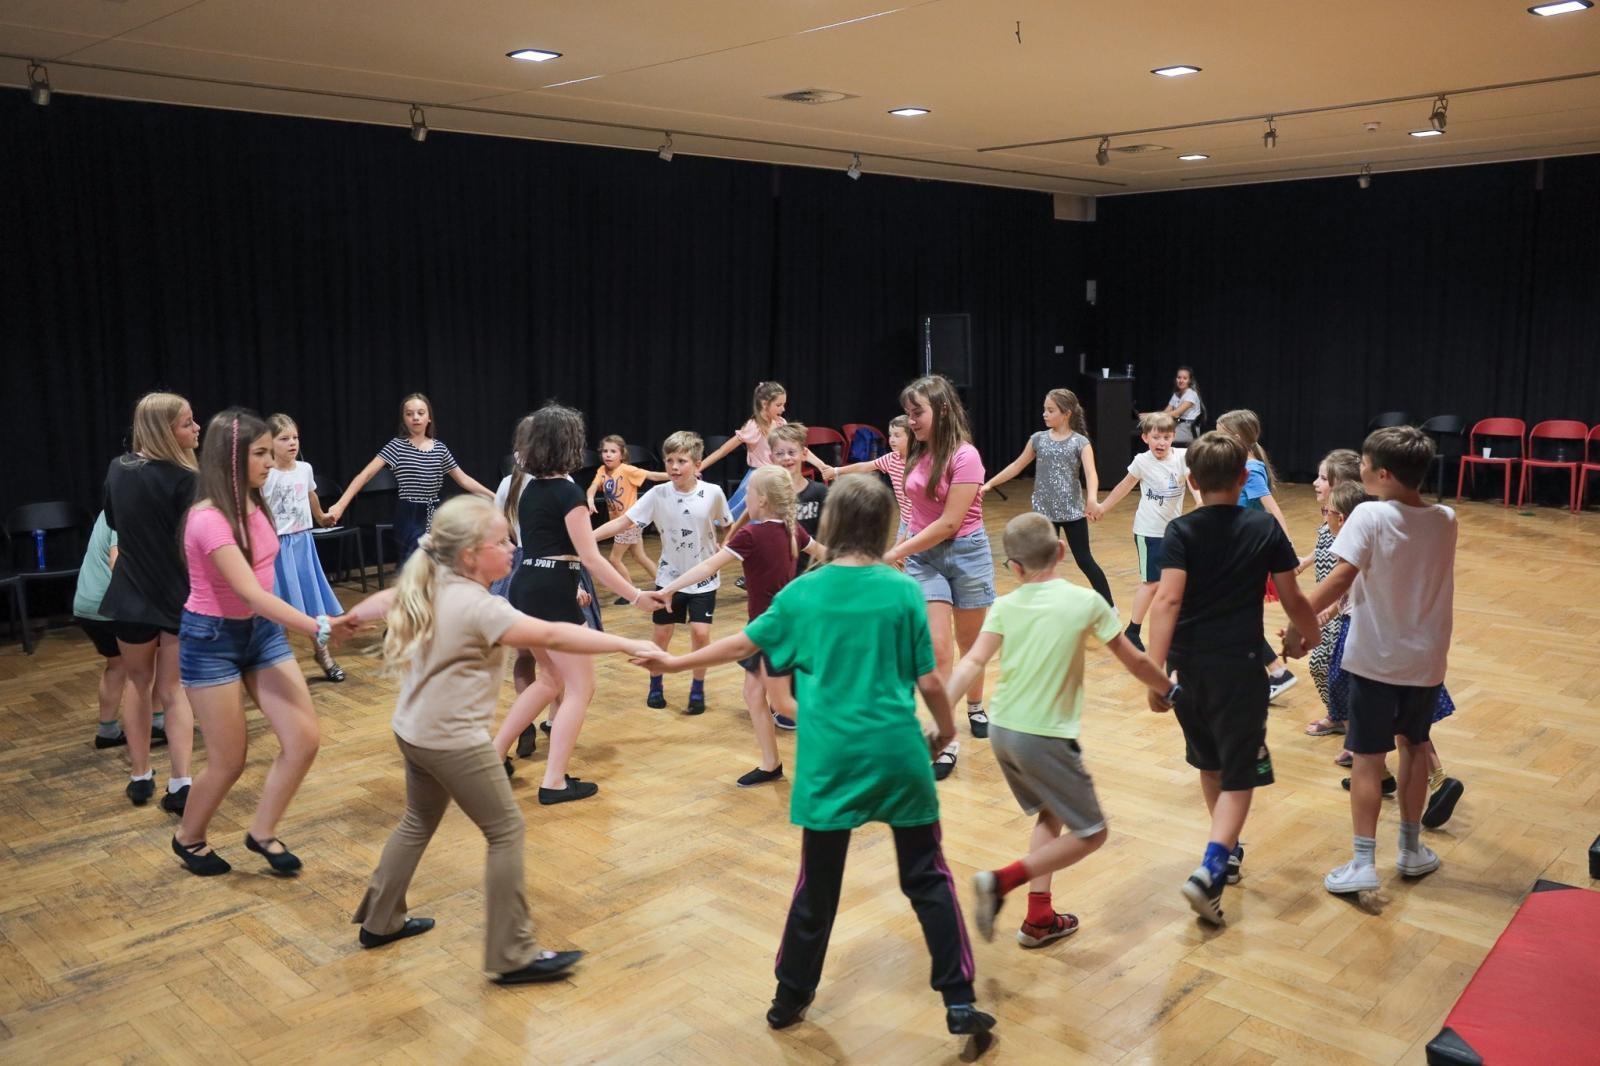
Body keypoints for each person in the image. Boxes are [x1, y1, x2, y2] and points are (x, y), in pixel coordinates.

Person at [636, 474, 995, 1041]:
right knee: (928, 878)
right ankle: (957, 1000)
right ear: (883, 527)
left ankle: (789, 998)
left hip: (831, 760)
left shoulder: (803, 594)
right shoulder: (901, 590)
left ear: (829, 524)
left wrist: (675, 665)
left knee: (817, 887)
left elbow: (745, 642)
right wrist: (945, 732)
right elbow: (929, 679)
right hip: (897, 754)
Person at [340, 496, 662, 983]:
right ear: (471, 554)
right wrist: (625, 641)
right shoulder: (479, 606)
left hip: (412, 730)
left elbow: (384, 602)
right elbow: (554, 636)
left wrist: (350, 618)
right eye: (501, 542)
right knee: (505, 832)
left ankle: (381, 921)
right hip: (451, 741)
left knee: (417, 819)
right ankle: (512, 953)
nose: (513, 548)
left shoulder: (430, 580)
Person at [955, 514, 1175, 948]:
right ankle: (1002, 881)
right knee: (1092, 832)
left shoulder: (1004, 605)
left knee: (1051, 812)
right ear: (1060, 551)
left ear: (1013, 568)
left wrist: (942, 719)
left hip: (1001, 729)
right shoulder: (1086, 602)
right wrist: (1169, 689)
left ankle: (1039, 919)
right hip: (1043, 737)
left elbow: (971, 663)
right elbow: (1134, 659)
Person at [170, 409, 358, 876]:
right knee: (229, 760)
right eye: (259, 453)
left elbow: (264, 588)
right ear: (230, 458)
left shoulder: (255, 501)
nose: (270, 460)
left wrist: (316, 619)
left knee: (304, 739)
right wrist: (321, 625)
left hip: (261, 634)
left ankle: (262, 832)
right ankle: (188, 838)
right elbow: (249, 592)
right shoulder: (207, 518)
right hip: (211, 639)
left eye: (270, 451)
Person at [1143, 432, 1320, 926]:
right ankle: (1212, 865)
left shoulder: (1180, 531)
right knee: (1241, 774)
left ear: (1192, 480)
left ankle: (1228, 853)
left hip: (1188, 671)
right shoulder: (1263, 528)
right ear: (1244, 478)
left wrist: (1156, 674)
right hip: (1240, 670)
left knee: (1209, 761)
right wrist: (1308, 638)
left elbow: (1167, 601)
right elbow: (1293, 599)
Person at [1282, 427, 1460, 895]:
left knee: (1367, 760)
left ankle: (1363, 862)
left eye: (1362, 464)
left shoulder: (1368, 517)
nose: (1358, 471)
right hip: (1426, 661)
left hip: (1373, 661)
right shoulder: (1446, 518)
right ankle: (1411, 848)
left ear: (1382, 473)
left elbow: (1340, 579)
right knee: (1416, 747)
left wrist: (1300, 625)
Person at [492, 403, 661, 804]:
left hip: (528, 585)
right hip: (550, 589)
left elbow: (551, 549)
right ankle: (553, 782)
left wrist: (571, 585)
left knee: (550, 680)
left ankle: (492, 755)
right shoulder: (568, 493)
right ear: (569, 444)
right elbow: (589, 557)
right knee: (580, 688)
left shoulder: (529, 488)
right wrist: (636, 595)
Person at [655, 465, 825, 785]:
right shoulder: (793, 531)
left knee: (781, 701)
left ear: (760, 500)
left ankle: (845, 742)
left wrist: (669, 588)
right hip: (780, 625)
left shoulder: (752, 534)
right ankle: (772, 763)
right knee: (754, 694)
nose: (743, 497)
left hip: (769, 629)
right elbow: (826, 554)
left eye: (747, 492)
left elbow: (708, 565)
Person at [884, 375, 994, 776]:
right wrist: (904, 541)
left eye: (918, 413)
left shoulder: (966, 456)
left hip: (966, 554)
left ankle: (977, 704)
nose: (910, 421)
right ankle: (944, 737)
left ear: (943, 410)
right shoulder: (916, 450)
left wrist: (895, 550)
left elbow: (950, 523)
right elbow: (913, 507)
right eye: (909, 413)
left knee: (971, 646)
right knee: (938, 649)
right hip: (923, 558)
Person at [99, 392, 199, 809]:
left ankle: (141, 775)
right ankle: (181, 782)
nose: (197, 428)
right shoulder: (185, 477)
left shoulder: (117, 470)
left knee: (138, 685)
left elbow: (113, 522)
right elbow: (192, 542)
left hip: (131, 595)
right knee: (173, 690)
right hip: (176, 594)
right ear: (164, 430)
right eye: (187, 423)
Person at [595, 431, 732, 715]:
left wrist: (726, 543)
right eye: (669, 460)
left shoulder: (713, 493)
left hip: (703, 578)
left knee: (701, 634)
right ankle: (655, 684)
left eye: (682, 460)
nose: (674, 466)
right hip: (669, 579)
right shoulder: (658, 494)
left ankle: (697, 688)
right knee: (661, 635)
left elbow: (727, 524)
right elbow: (623, 522)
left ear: (697, 464)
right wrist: (587, 537)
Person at [327, 392, 495, 565]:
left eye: (420, 413)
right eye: (409, 414)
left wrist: (495, 496)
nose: (415, 417)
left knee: (437, 562)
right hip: (410, 512)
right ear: (404, 419)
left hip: (434, 511)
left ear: (429, 417)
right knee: (413, 562)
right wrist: (340, 505)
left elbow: (463, 479)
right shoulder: (397, 446)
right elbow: (365, 475)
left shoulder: (440, 449)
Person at [982, 389, 1114, 606]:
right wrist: (990, 483)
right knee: (1041, 562)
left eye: (1050, 410)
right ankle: (1039, 604)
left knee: (1085, 560)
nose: (1044, 414)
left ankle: (1110, 606)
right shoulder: (1038, 440)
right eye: (1044, 409)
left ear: (1066, 413)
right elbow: (1016, 465)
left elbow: (1091, 473)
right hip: (1044, 515)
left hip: (1072, 512)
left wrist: (1092, 499)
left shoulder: (1080, 442)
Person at [1214, 409, 1299, 702]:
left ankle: (1277, 672)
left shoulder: (1252, 470)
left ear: (1237, 437)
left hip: (1248, 554)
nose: (1215, 437)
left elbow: (1272, 508)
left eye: (1220, 432)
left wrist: (1287, 548)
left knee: (1236, 617)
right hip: (1238, 550)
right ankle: (1258, 674)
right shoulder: (1243, 465)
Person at [1089, 412, 1190, 651]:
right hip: (1149, 532)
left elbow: (1195, 484)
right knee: (1152, 583)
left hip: (1174, 533)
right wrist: (1103, 507)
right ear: (1145, 438)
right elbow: (1125, 485)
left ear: (1174, 436)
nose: (1161, 442)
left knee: (1177, 582)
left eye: (1166, 437)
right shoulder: (1142, 462)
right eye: (1156, 437)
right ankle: (1133, 631)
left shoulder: (1184, 458)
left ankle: (1177, 629)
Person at [263, 413, 346, 682]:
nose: (292, 443)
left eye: (295, 437)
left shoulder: (304, 468)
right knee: (281, 605)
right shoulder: (267, 473)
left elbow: (310, 494)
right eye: (284, 438)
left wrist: (321, 516)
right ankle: (283, 665)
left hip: (302, 543)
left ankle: (323, 654)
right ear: (270, 442)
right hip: (276, 546)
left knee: (312, 603)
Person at [698, 381, 836, 521]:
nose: (783, 409)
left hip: (779, 476)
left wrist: (821, 465)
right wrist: (698, 467)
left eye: (783, 404)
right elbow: (722, 450)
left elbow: (800, 449)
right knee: (750, 519)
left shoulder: (781, 423)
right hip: (760, 478)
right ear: (764, 404)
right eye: (778, 405)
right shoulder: (754, 427)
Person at [1302, 449, 1361, 739]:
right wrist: (1305, 560)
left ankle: (1345, 718)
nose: (1316, 482)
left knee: (1323, 664)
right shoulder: (1329, 517)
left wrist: (1328, 611)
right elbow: (1325, 547)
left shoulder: (1346, 522)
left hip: (1340, 609)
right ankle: (1338, 714)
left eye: (1323, 478)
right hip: (1329, 606)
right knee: (1321, 665)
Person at [72, 510, 135, 750]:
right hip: (111, 605)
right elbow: (117, 561)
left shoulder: (110, 507)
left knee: (117, 664)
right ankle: (155, 723)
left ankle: (107, 730)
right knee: (149, 667)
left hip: (87, 603)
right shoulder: (127, 510)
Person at [586, 434, 669, 602]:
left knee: (614, 559)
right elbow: (593, 487)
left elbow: (653, 475)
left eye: (613, 451)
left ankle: (629, 593)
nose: (608, 455)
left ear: (622, 455)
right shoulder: (602, 471)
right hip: (623, 524)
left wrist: (677, 475)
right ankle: (664, 585)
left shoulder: (627, 470)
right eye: (605, 451)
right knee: (640, 556)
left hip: (628, 523)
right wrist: (590, 499)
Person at [832, 415, 911, 542]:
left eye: (897, 435)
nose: (891, 440)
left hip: (919, 522)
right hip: (905, 520)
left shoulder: (920, 462)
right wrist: (836, 471)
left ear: (911, 437)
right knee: (904, 559)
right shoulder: (891, 458)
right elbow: (865, 466)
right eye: (890, 435)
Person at [1157, 366, 1203, 445]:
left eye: (1185, 378)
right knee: (1155, 435)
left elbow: (1176, 413)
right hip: (1177, 426)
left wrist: (1151, 416)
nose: (1181, 381)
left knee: (1161, 438)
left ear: (1190, 380)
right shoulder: (1176, 394)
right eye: (1179, 378)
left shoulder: (1191, 394)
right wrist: (1148, 415)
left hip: (1188, 429)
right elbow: (1166, 412)